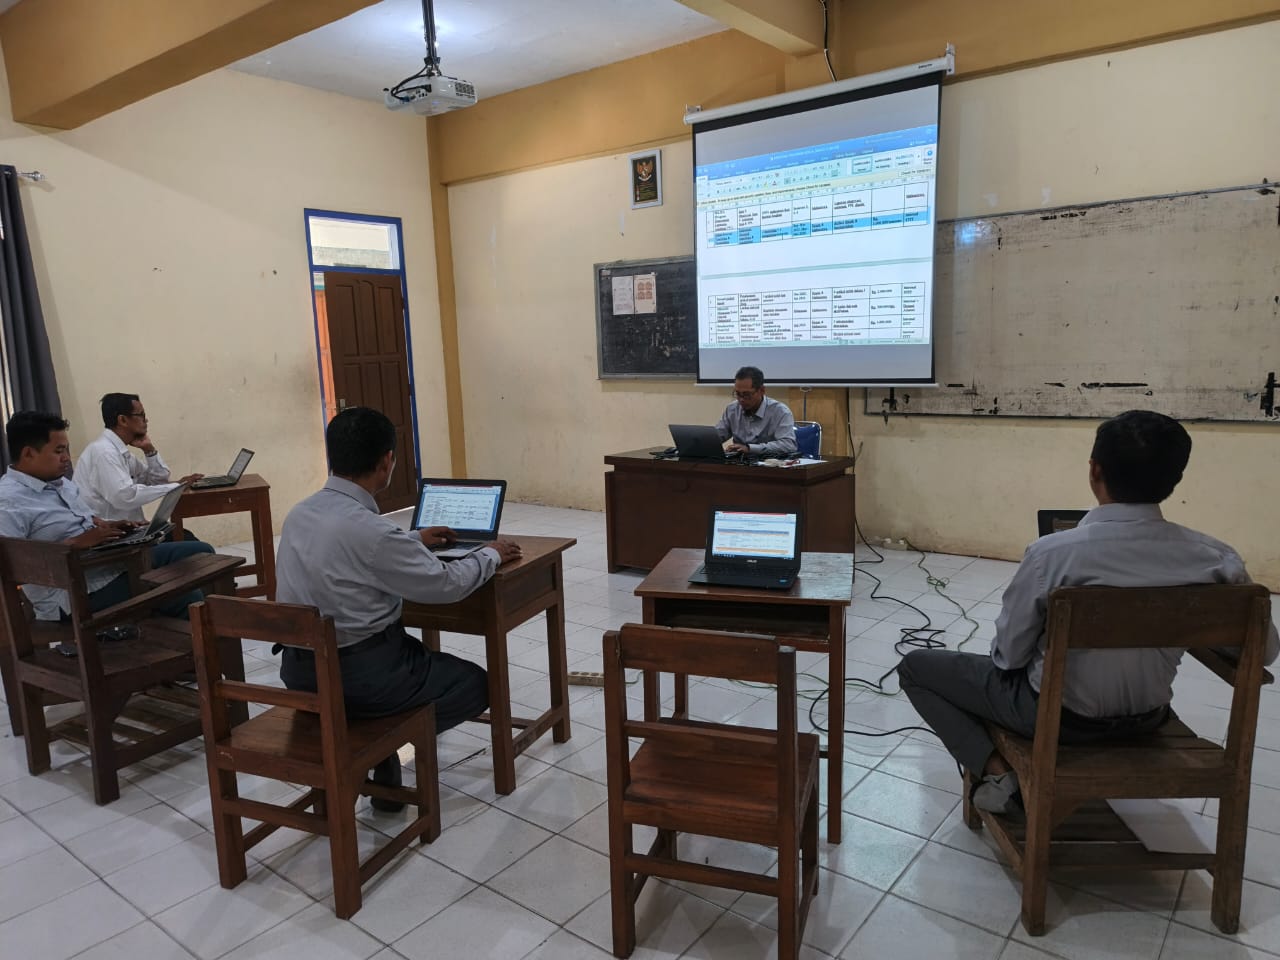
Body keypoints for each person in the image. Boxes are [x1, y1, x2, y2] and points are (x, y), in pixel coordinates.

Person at [898, 409, 1279, 815]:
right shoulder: (1217, 560)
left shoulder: (1052, 555)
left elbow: (1007, 656)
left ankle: (999, 773)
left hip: (1057, 720)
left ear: (1095, 470)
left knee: (917, 668)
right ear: (1175, 479)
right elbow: (1264, 654)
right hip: (1148, 719)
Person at [274, 406, 522, 811]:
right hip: (362, 677)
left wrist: (412, 541)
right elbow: (446, 584)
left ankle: (380, 749)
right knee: (476, 684)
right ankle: (379, 744)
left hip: (300, 674)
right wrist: (491, 554)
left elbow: (354, 553)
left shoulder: (300, 515)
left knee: (411, 661)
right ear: (387, 460)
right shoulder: (374, 532)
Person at [0, 411, 214, 621]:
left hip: (107, 563)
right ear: (28, 453)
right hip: (71, 593)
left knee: (201, 555)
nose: (66, 458)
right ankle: (196, 646)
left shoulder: (59, 483)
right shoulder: (8, 502)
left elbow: (86, 520)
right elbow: (11, 564)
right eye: (58, 451)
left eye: (66, 449)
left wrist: (110, 526)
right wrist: (74, 544)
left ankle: (205, 631)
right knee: (184, 594)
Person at [74, 392, 202, 522]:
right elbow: (125, 497)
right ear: (122, 420)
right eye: (141, 415)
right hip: (113, 536)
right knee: (193, 542)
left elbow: (157, 481)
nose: (146, 420)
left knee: (187, 537)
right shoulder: (104, 452)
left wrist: (149, 450)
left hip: (131, 529)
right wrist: (176, 486)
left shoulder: (120, 452)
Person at [715, 365, 797, 458]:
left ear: (761, 390)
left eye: (746, 394)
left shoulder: (780, 411)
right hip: (739, 464)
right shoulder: (732, 409)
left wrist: (750, 448)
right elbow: (717, 436)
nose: (741, 399)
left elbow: (788, 445)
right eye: (738, 394)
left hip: (769, 466)